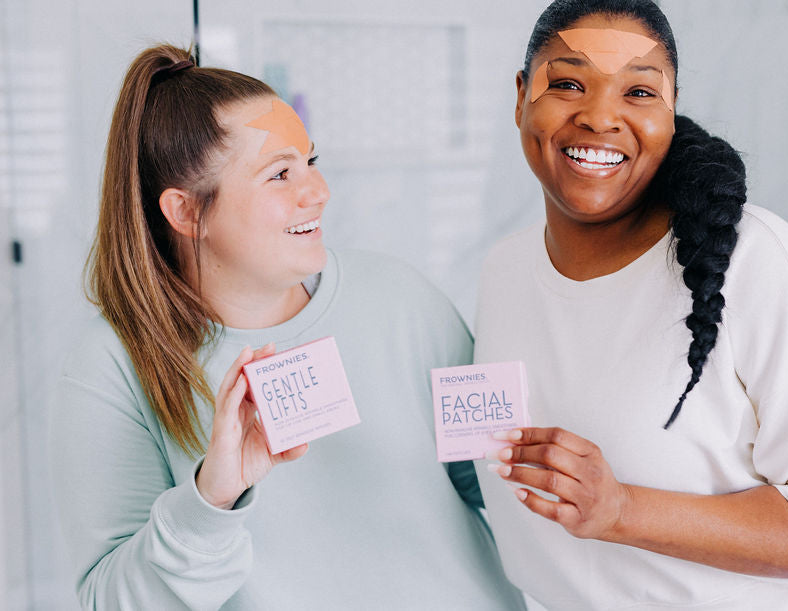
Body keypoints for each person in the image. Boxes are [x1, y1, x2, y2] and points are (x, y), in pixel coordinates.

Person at [474, 0, 788, 610]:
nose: (601, 116)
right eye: (569, 84)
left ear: (671, 110)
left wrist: (622, 509)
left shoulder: (756, 260)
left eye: (639, 91)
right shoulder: (504, 271)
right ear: (521, 96)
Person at [50, 44, 524, 610]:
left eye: (311, 162)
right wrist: (211, 500)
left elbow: (497, 489)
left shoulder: (403, 300)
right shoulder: (113, 366)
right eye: (279, 174)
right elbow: (109, 601)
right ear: (186, 212)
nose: (317, 192)